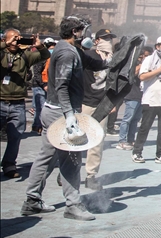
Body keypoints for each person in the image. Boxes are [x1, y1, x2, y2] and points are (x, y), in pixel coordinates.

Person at [20, 16, 99, 220]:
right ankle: (73, 205)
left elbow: (96, 63)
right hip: (61, 113)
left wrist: (124, 55)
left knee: (46, 158)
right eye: (84, 29)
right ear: (75, 31)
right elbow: (62, 86)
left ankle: (32, 200)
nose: (86, 33)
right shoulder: (66, 52)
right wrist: (70, 115)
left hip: (54, 110)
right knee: (72, 160)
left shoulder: (72, 50)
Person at [1, 29, 50, 178]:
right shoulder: (2, 53)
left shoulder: (25, 55)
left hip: (17, 103)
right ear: (5, 39)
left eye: (19, 38)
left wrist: (39, 45)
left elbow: (45, 56)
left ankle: (9, 164)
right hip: (1, 100)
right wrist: (5, 44)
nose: (16, 40)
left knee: (15, 136)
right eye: (13, 38)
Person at [78, 28, 117, 190]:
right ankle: (66, 172)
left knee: (97, 142)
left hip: (102, 105)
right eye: (104, 38)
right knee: (76, 140)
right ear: (96, 41)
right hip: (85, 102)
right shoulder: (89, 56)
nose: (107, 41)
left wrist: (112, 102)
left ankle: (91, 175)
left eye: (110, 38)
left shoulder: (113, 60)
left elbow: (113, 82)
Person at [132, 36, 161, 165]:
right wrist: (159, 70)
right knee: (145, 128)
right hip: (151, 100)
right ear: (157, 47)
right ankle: (137, 152)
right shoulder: (149, 60)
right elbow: (142, 76)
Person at [115, 46, 152, 151]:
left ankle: (131, 139)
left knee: (135, 120)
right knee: (127, 119)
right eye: (141, 56)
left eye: (146, 56)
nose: (143, 58)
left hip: (142, 96)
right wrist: (141, 65)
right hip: (131, 95)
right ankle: (122, 141)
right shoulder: (132, 65)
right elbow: (132, 75)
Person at [29, 37, 57, 135]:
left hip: (49, 86)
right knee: (40, 108)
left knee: (43, 108)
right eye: (51, 47)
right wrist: (43, 84)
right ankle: (38, 127)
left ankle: (39, 126)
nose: (53, 49)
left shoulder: (54, 58)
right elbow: (37, 73)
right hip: (39, 86)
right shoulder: (42, 58)